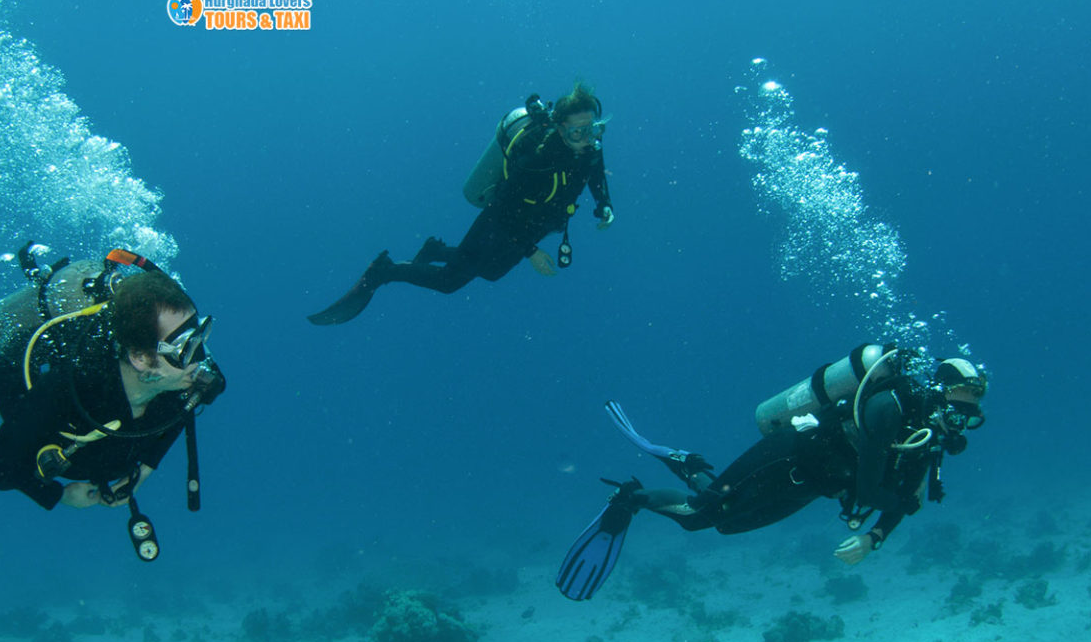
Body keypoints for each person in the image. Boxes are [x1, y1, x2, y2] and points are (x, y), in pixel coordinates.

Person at [556, 345, 988, 600]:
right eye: (962, 402)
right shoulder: (887, 409)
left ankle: (687, 465)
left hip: (812, 485)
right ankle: (631, 498)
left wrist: (874, 538)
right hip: (790, 454)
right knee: (701, 517)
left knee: (727, 525)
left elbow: (904, 497)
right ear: (940, 391)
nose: (965, 416)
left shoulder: (925, 435)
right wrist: (896, 509)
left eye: (971, 408)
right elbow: (876, 490)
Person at [0, 248, 225, 561]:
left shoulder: (184, 378)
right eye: (185, 347)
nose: (202, 360)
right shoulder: (67, 391)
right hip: (41, 412)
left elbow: (192, 403)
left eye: (202, 334)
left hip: (106, 442)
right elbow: (4, 465)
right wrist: (57, 494)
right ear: (140, 358)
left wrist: (145, 469)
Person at [308, 83, 615, 325]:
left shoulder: (589, 147)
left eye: (592, 128)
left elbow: (595, 171)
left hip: (536, 224)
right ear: (560, 129)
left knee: (491, 272)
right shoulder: (537, 161)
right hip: (500, 222)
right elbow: (505, 209)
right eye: (577, 131)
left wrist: (603, 204)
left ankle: (435, 250)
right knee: (448, 281)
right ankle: (384, 271)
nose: (587, 138)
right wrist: (531, 251)